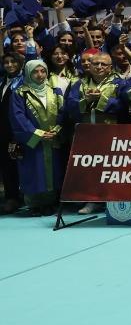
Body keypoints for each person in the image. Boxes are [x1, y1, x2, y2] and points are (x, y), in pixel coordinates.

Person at [8, 59, 67, 215]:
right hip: (32, 140)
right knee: (34, 170)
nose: (40, 75)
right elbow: (18, 117)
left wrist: (56, 130)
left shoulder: (55, 91)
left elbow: (62, 112)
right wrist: (38, 133)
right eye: (35, 71)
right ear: (28, 73)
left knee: (53, 171)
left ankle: (50, 202)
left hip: (52, 138)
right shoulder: (19, 93)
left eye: (43, 71)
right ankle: (34, 204)